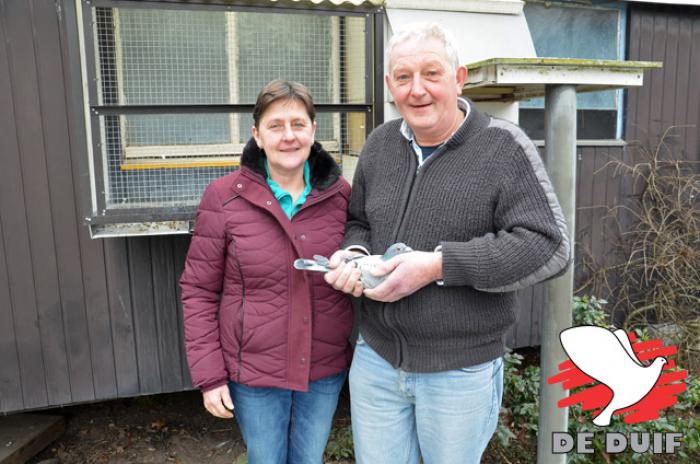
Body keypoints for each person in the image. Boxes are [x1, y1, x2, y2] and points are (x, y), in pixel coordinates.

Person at [325, 23, 571, 464]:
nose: (417, 90)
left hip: (458, 371)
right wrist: (356, 254)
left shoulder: (503, 147)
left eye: (431, 74)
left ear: (459, 79)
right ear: (390, 86)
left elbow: (549, 247)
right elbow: (359, 221)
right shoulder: (380, 145)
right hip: (377, 361)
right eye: (403, 77)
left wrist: (440, 266)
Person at [180, 80, 353, 464]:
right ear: (257, 135)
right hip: (254, 370)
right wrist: (210, 376)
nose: (288, 136)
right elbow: (198, 290)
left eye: (298, 124)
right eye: (276, 126)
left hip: (322, 369)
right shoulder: (224, 197)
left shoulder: (341, 195)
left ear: (313, 130)